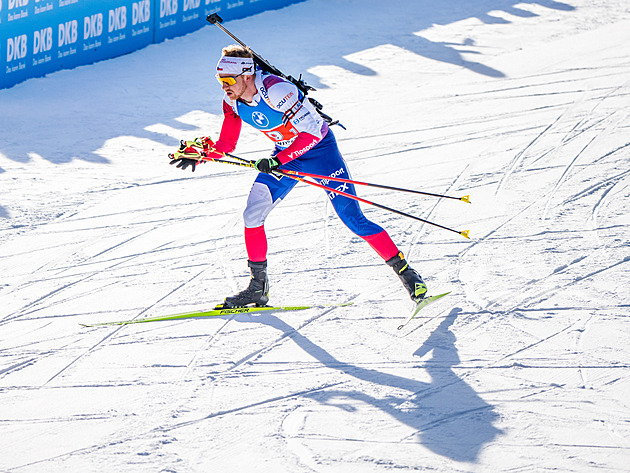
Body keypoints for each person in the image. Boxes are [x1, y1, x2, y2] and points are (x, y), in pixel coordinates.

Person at [169, 45, 427, 308]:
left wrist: (277, 160)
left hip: (320, 155)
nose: (224, 87)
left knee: (354, 220)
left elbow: (313, 133)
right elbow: (226, 146)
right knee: (252, 215)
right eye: (220, 81)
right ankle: (258, 289)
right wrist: (200, 154)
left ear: (247, 75)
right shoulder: (232, 100)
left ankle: (409, 276)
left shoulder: (277, 90)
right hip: (285, 158)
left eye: (228, 80)